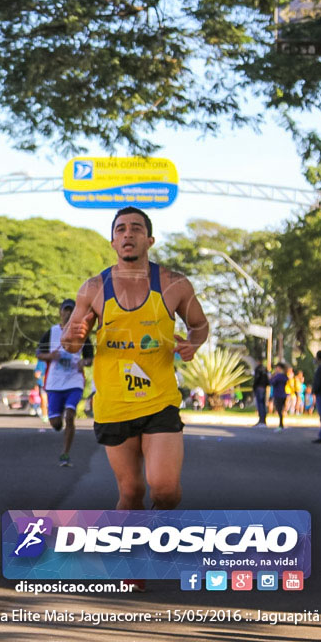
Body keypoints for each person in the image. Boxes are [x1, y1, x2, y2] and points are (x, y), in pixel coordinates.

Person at [62, 207, 209, 591]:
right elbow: (72, 342)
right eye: (121, 229)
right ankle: (133, 562)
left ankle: (153, 538)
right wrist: (74, 335)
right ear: (113, 241)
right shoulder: (93, 288)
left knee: (164, 489)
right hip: (113, 405)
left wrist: (192, 343)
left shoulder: (174, 284)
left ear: (149, 240)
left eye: (136, 229)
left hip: (160, 401)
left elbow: (200, 324)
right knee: (131, 491)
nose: (128, 234)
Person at [36, 298, 94, 467]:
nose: (68, 313)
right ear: (60, 312)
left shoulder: (82, 333)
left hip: (74, 381)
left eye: (71, 310)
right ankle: (57, 417)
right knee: (56, 423)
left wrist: (84, 362)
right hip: (54, 383)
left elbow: (90, 357)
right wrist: (50, 356)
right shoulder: (52, 332)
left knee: (70, 415)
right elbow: (39, 352)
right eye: (65, 310)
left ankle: (65, 453)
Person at [269, 362, 289, 431]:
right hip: (283, 394)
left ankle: (281, 425)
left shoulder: (278, 376)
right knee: (281, 410)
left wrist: (272, 377)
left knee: (279, 410)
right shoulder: (284, 376)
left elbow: (272, 382)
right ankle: (281, 424)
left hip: (278, 394)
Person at [252, 362, 270, 427]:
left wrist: (254, 386)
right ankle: (262, 420)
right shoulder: (265, 370)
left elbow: (256, 379)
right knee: (262, 404)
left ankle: (262, 420)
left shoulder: (258, 370)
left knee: (260, 404)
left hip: (259, 387)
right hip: (263, 387)